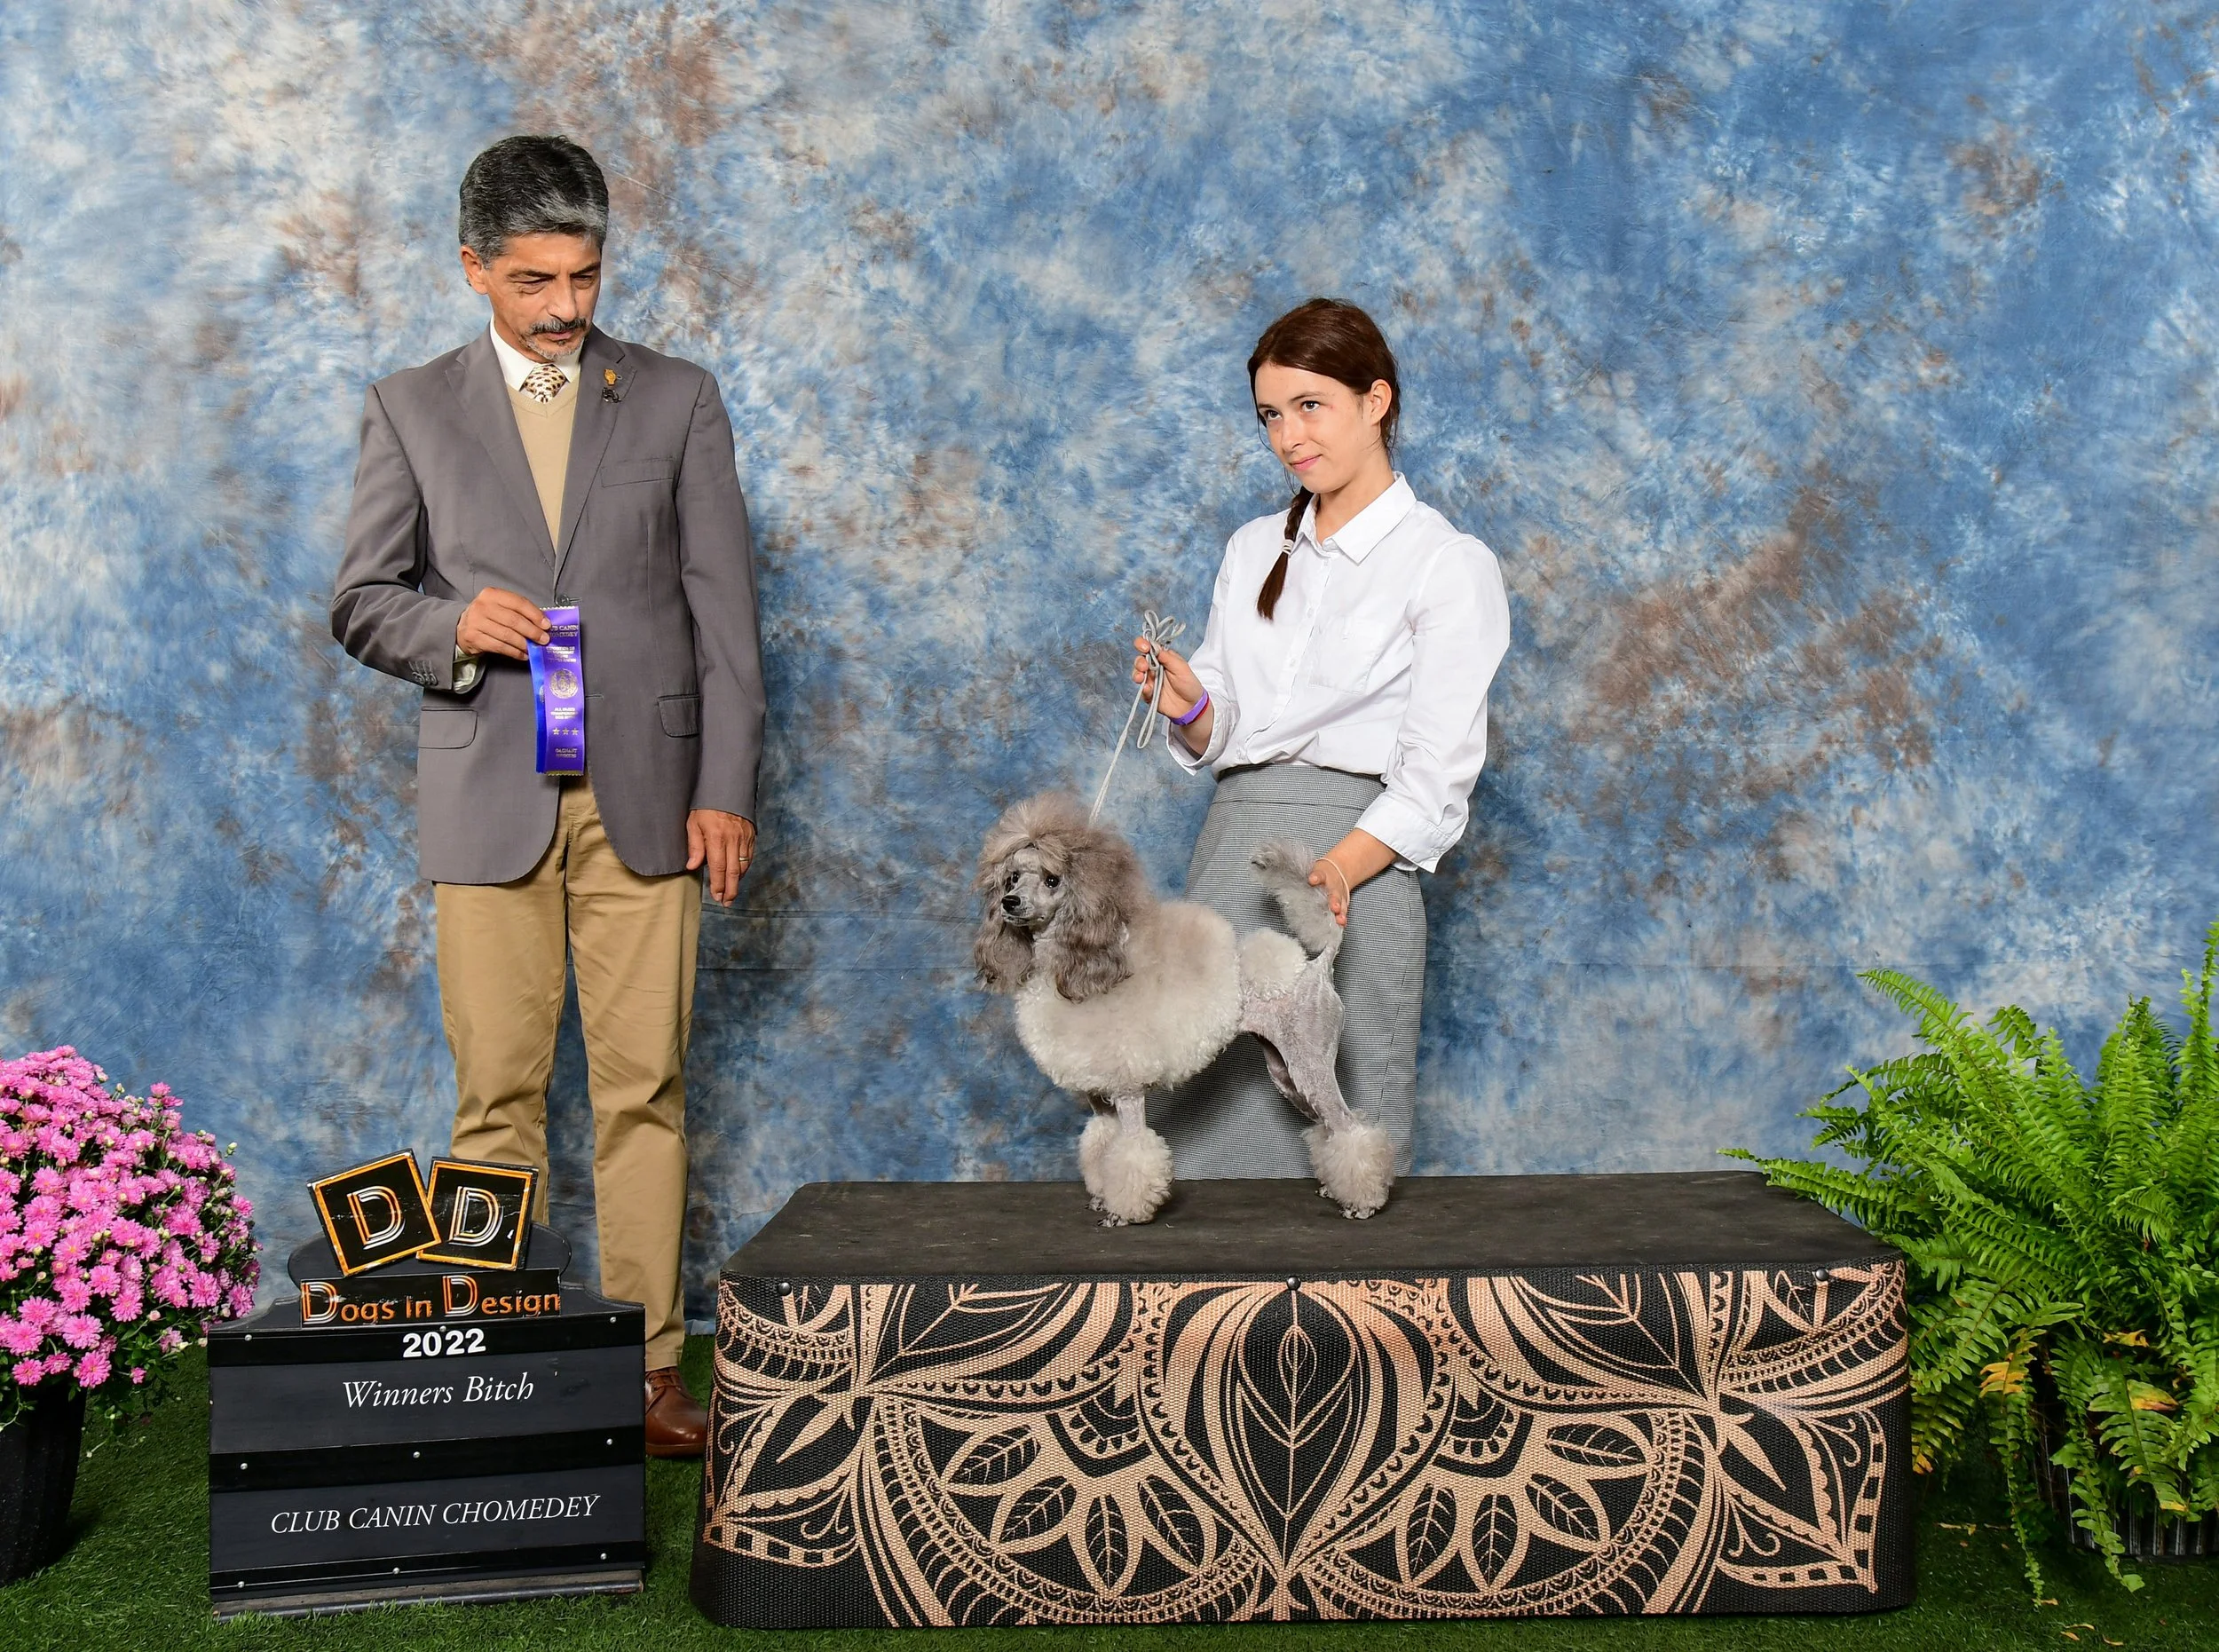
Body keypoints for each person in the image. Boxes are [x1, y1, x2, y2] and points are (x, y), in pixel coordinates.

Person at [330, 135, 765, 1456]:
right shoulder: (410, 406)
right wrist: (460, 625)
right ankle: (505, 1371)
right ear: (473, 269)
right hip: (490, 798)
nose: (566, 307)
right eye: (532, 281)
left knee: (646, 1089)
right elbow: (362, 602)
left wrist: (726, 788)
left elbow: (724, 615)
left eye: (583, 275)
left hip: (650, 796)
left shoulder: (678, 397)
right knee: (497, 1097)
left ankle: (647, 1379)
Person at [1134, 297, 1510, 1177]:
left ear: (1375, 401)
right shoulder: (1250, 547)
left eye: (1311, 406)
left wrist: (1336, 867)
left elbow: (1434, 780)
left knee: (1341, 1126)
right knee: (1195, 1126)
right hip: (1231, 854)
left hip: (1354, 868)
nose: (1288, 435)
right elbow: (1226, 731)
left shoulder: (1447, 563)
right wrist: (1189, 701)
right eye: (1271, 414)